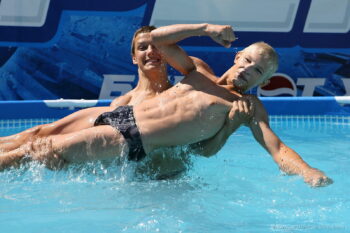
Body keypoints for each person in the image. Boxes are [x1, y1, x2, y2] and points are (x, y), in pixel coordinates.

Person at [0, 23, 332, 187]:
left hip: (131, 140)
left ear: (264, 81)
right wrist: (205, 28)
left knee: (37, 152)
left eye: (257, 70)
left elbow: (278, 149)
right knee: (30, 139)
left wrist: (307, 171)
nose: (247, 69)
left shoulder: (247, 108)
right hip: (122, 116)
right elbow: (157, 39)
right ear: (236, 56)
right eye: (246, 60)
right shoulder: (198, 70)